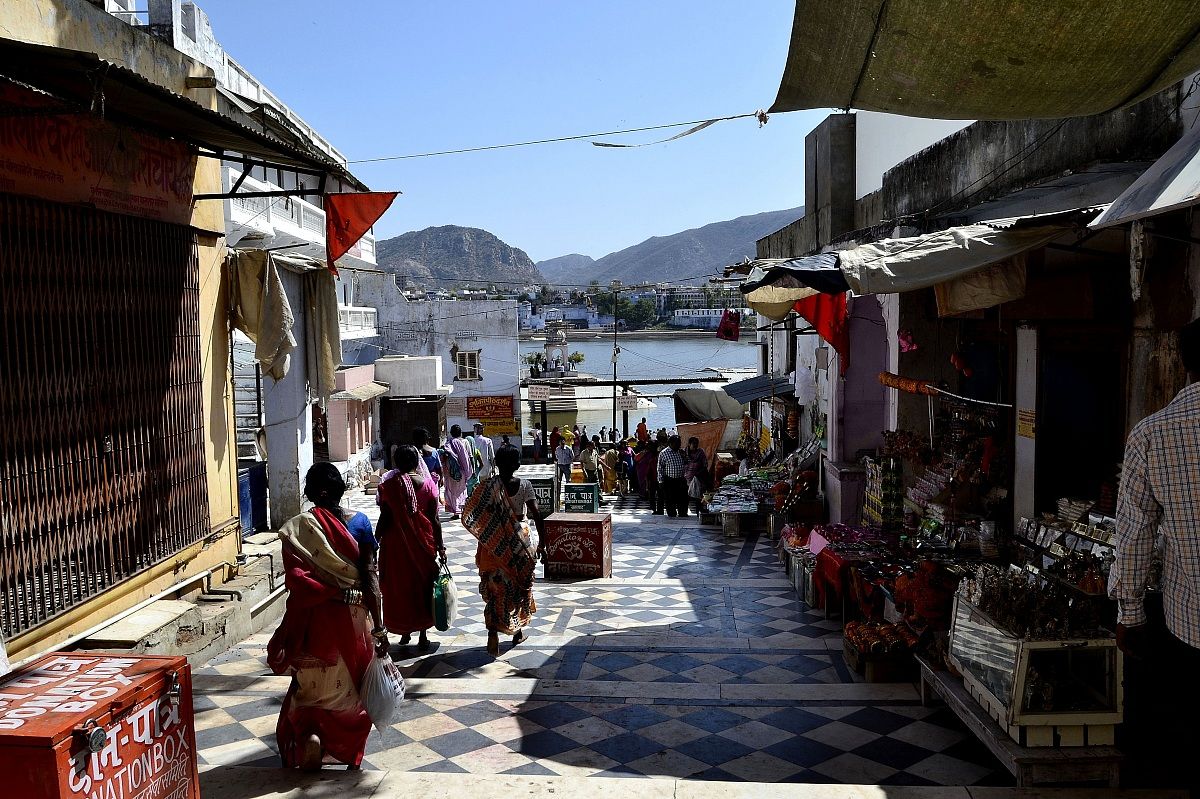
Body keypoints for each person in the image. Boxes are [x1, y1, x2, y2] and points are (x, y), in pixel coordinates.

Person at [1109, 318, 1200, 792]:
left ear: (1183, 364)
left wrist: (1129, 612)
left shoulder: (1153, 434)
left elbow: (1134, 536)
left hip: (1188, 626)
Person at [267, 463, 386, 771]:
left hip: (312, 625)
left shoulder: (298, 528)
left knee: (309, 691)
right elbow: (371, 581)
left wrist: (328, 593)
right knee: (351, 692)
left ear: (315, 493)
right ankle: (344, 749)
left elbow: (297, 581)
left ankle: (311, 738)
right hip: (354, 623)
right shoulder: (359, 524)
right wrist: (380, 630)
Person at [462, 445, 544, 657]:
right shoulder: (525, 485)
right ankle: (517, 632)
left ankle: (493, 633)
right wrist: (542, 543)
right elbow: (536, 514)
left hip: (493, 547)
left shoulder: (487, 487)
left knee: (496, 590)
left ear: (496, 464)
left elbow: (472, 513)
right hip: (520, 544)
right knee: (519, 587)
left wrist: (491, 531)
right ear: (518, 464)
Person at [377, 446, 445, 652]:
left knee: (400, 588)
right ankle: (423, 635)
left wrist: (374, 540)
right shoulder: (429, 486)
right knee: (422, 588)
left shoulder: (389, 487)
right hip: (424, 546)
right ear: (417, 462)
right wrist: (441, 547)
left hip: (396, 547)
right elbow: (435, 520)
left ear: (396, 464)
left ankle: (405, 631)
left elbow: (385, 517)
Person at [441, 425, 474, 520]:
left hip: (451, 473)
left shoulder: (448, 443)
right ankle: (462, 511)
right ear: (461, 433)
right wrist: (469, 471)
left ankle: (455, 511)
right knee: (462, 491)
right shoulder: (462, 443)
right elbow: (466, 458)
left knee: (452, 491)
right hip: (461, 472)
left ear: (451, 433)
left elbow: (444, 458)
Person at [657, 435, 688, 518]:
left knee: (683, 498)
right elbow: (660, 468)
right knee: (670, 499)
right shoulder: (664, 453)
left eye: (679, 443)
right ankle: (671, 514)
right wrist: (661, 481)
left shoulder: (680, 452)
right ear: (670, 443)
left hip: (681, 479)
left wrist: (684, 456)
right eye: (677, 443)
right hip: (669, 480)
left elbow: (687, 463)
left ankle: (683, 513)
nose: (679, 445)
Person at [683, 436, 711, 515]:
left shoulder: (700, 452)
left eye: (696, 444)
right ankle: (684, 512)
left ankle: (699, 512)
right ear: (689, 444)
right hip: (687, 477)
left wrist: (698, 473)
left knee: (699, 496)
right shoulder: (684, 452)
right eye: (693, 444)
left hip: (698, 477)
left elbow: (705, 464)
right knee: (686, 496)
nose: (695, 446)